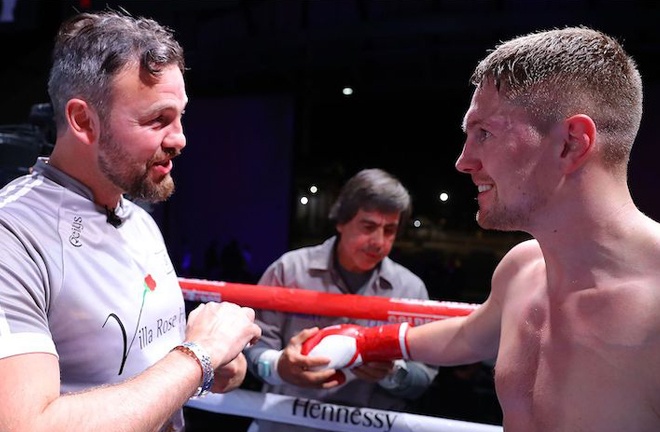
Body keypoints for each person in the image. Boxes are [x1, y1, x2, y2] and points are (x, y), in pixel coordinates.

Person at [303, 26, 660, 431]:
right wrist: (363, 342)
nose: (463, 161)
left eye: (485, 133)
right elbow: (469, 337)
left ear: (571, 143)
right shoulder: (524, 268)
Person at [0, 9, 261, 432]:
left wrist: (218, 361)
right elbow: (26, 426)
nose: (179, 138)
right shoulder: (11, 234)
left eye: (180, 116)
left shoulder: (140, 220)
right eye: (157, 119)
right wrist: (198, 357)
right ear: (84, 121)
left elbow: (158, 366)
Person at [244, 168, 438, 432]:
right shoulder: (288, 270)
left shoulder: (410, 288)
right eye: (368, 227)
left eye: (390, 230)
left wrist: (393, 373)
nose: (379, 242)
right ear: (341, 221)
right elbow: (253, 347)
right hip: (284, 425)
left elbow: (423, 377)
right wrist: (280, 366)